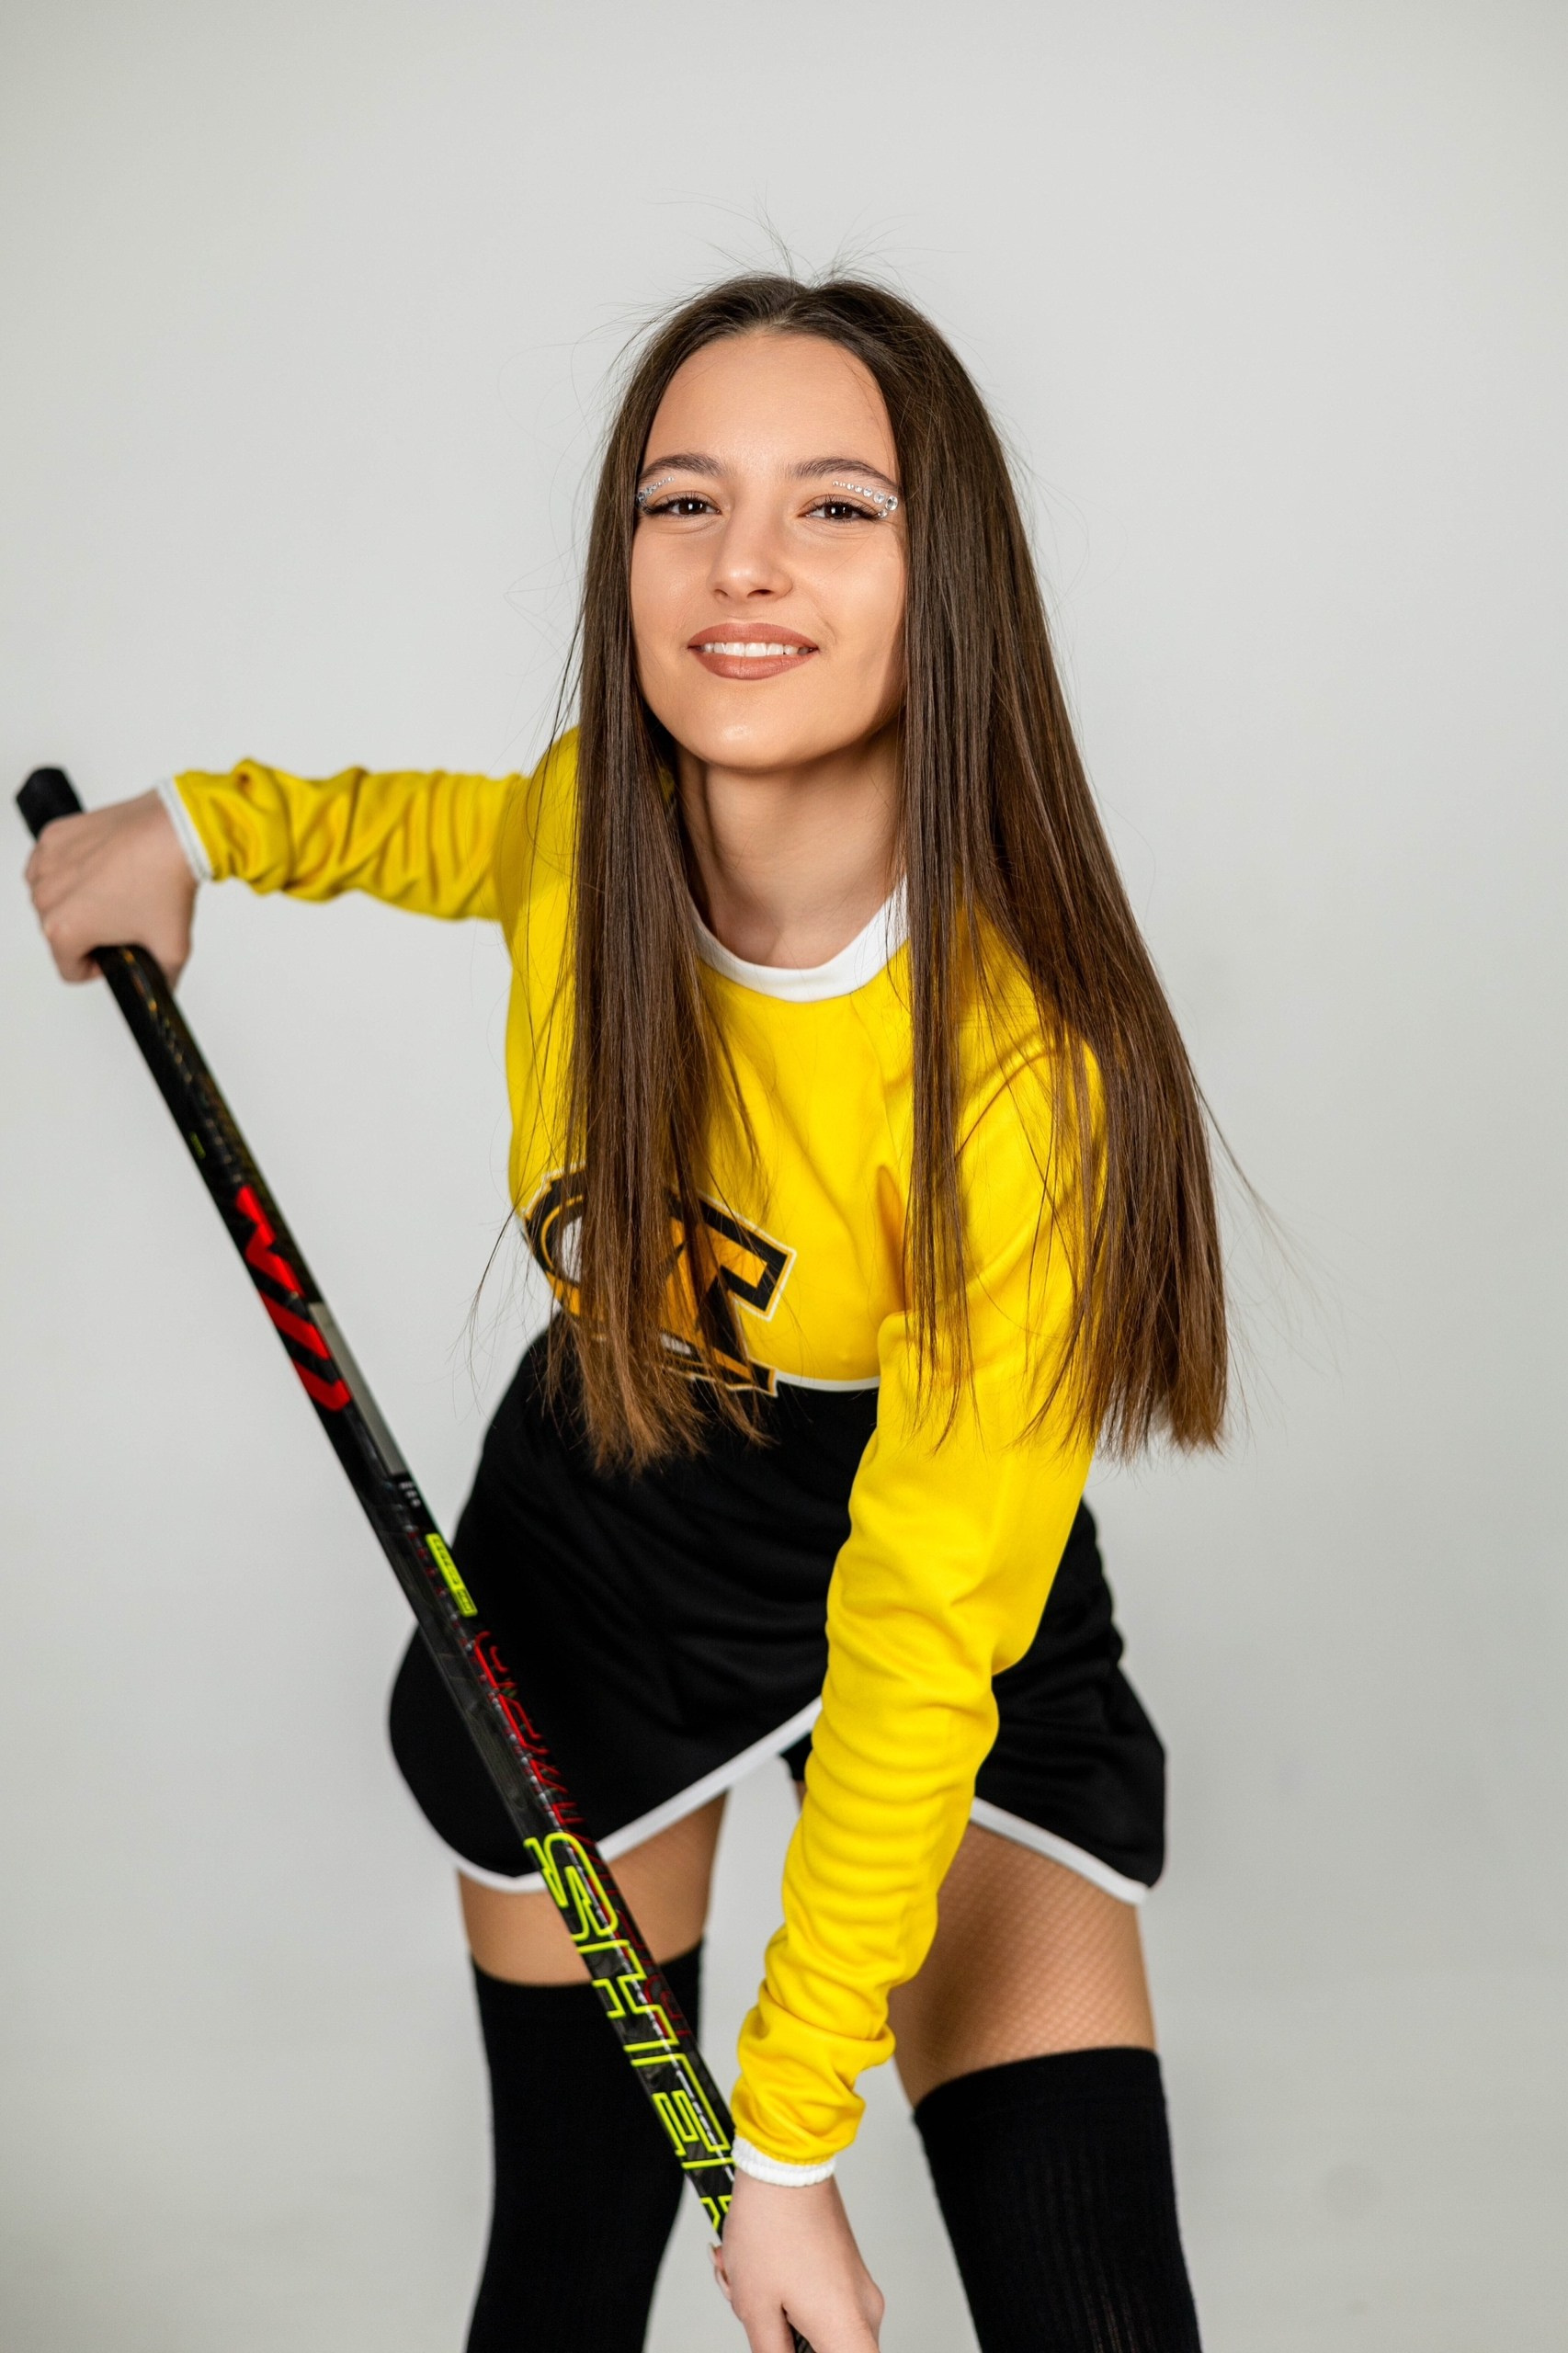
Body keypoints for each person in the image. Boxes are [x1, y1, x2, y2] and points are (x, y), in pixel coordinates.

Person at [26, 272, 1227, 2353]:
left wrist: (784, 2150)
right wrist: (202, 825)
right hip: (609, 1539)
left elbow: (920, 1631)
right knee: (570, 2275)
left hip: (939, 1593)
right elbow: (442, 831)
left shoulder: (1027, 1077)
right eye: (686, 501)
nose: (743, 562)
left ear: (945, 577)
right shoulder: (595, 821)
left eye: (834, 506)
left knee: (1096, 2309)